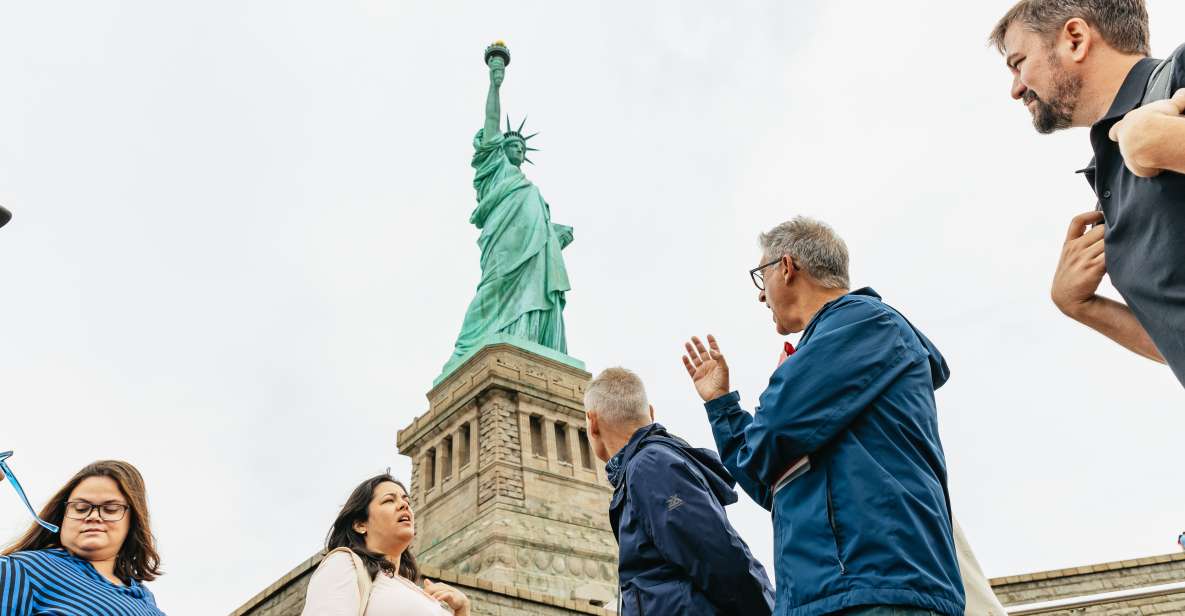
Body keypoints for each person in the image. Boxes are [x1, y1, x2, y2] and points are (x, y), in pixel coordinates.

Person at [681, 217, 965, 616]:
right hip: (833, 593)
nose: (761, 298)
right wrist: (722, 404)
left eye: (761, 278)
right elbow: (768, 481)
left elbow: (769, 437)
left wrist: (782, 386)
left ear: (786, 266)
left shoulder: (863, 325)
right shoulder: (845, 339)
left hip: (873, 590)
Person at [990, 0, 1185, 388]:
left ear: (1075, 39)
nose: (1015, 89)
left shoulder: (1179, 74)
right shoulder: (1106, 182)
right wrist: (1082, 306)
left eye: (1018, 62)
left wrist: (1170, 144)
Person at [583, 367, 774, 616]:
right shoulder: (644, 468)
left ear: (593, 422)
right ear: (650, 412)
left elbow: (717, 557)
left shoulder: (648, 466)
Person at [0, 460, 167, 615]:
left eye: (110, 509)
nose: (93, 516)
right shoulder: (24, 568)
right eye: (81, 508)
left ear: (133, 522)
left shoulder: (146, 599)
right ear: (62, 517)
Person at [301, 474, 470, 616]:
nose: (404, 505)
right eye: (389, 500)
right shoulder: (344, 563)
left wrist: (463, 610)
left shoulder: (410, 589)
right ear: (360, 524)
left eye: (407, 501)